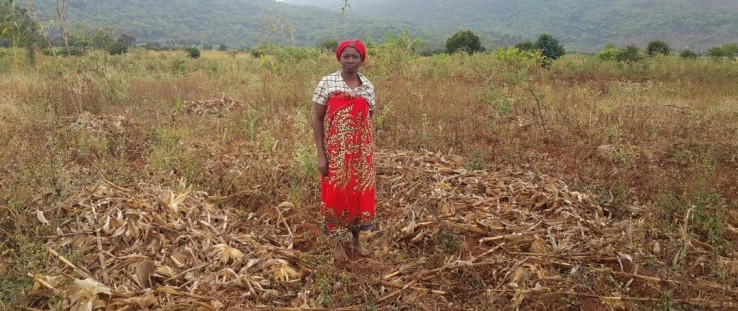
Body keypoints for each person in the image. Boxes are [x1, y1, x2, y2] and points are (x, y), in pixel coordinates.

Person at [312, 39, 376, 262]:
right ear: (339, 58)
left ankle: (356, 241)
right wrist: (321, 154)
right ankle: (339, 244)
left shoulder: (367, 86)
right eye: (346, 56)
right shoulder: (327, 82)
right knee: (338, 195)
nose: (350, 60)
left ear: (362, 60)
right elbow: (318, 119)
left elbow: (368, 118)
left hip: (361, 154)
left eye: (355, 56)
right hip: (336, 153)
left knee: (359, 194)